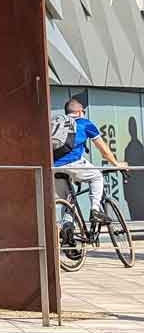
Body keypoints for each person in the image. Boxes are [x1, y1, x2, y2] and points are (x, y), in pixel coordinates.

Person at [55, 99, 127, 243]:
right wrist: (116, 164)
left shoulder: (58, 123)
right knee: (97, 176)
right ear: (80, 111)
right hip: (73, 163)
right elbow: (104, 151)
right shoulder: (85, 123)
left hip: (54, 167)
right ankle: (95, 211)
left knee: (69, 199)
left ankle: (68, 233)